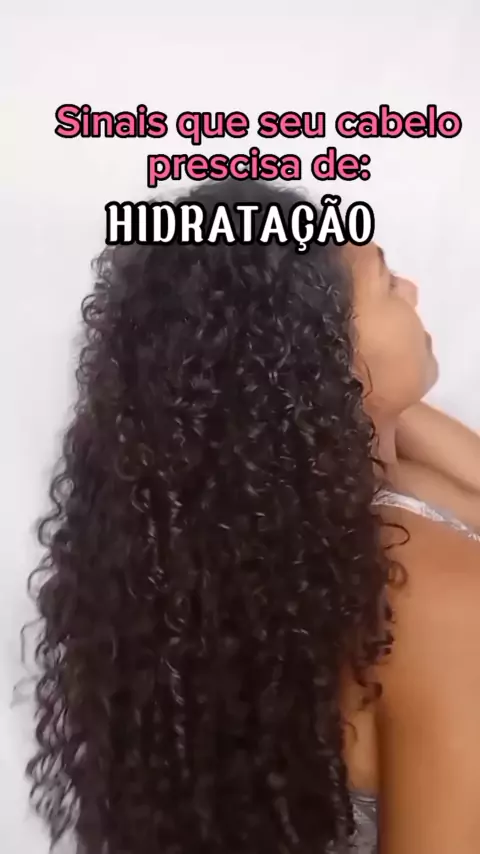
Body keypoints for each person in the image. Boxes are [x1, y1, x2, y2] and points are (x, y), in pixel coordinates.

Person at [26, 179, 480, 854]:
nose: (412, 292)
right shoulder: (427, 591)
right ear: (326, 355)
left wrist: (308, 381)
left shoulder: (268, 538)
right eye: (386, 282)